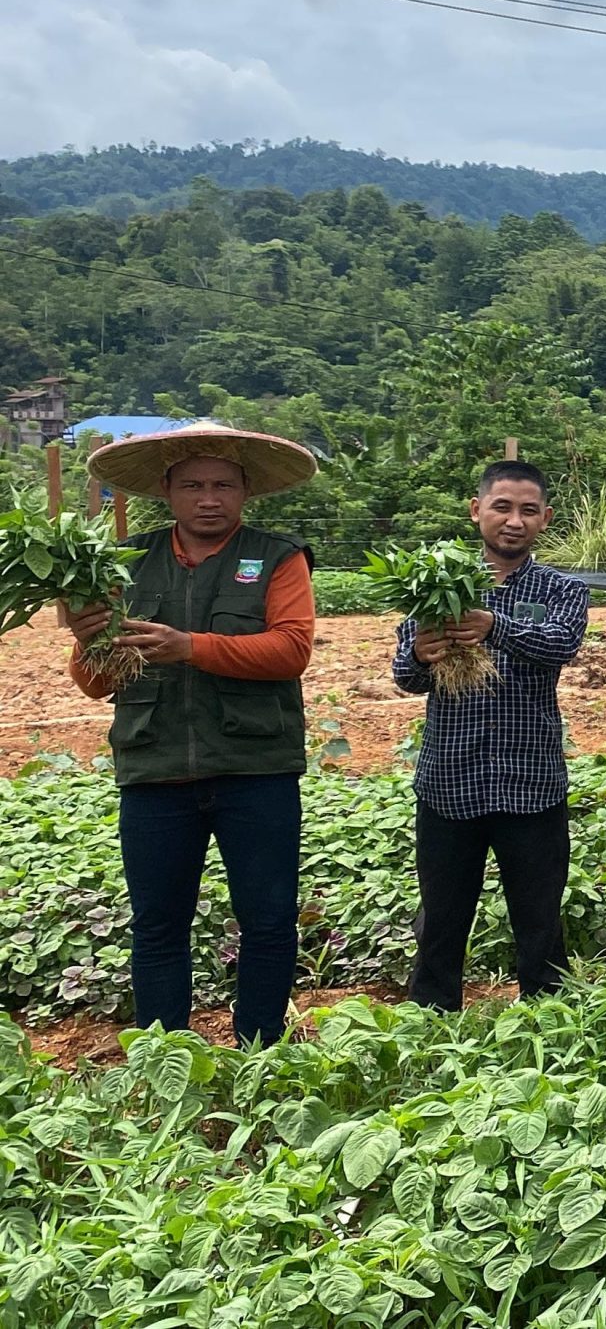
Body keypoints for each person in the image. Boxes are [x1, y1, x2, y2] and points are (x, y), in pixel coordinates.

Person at [69, 422, 318, 1046]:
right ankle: (164, 1055)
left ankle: (260, 1049)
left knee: (267, 920)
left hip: (255, 767)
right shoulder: (123, 563)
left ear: (245, 492)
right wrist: (85, 639)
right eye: (194, 486)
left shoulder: (278, 557)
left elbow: (291, 650)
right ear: (167, 491)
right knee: (158, 923)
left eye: (224, 486)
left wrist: (189, 647)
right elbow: (96, 684)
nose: (209, 499)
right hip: (154, 771)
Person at [390, 460, 591, 1011]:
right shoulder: (437, 582)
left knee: (539, 912)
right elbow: (405, 677)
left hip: (531, 780)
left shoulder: (562, 589)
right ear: (476, 510)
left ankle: (548, 1015)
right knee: (442, 913)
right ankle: (432, 1018)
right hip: (449, 777)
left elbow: (559, 646)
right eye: (502, 507)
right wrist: (421, 655)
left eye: (528, 511)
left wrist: (494, 626)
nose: (514, 521)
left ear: (545, 519)